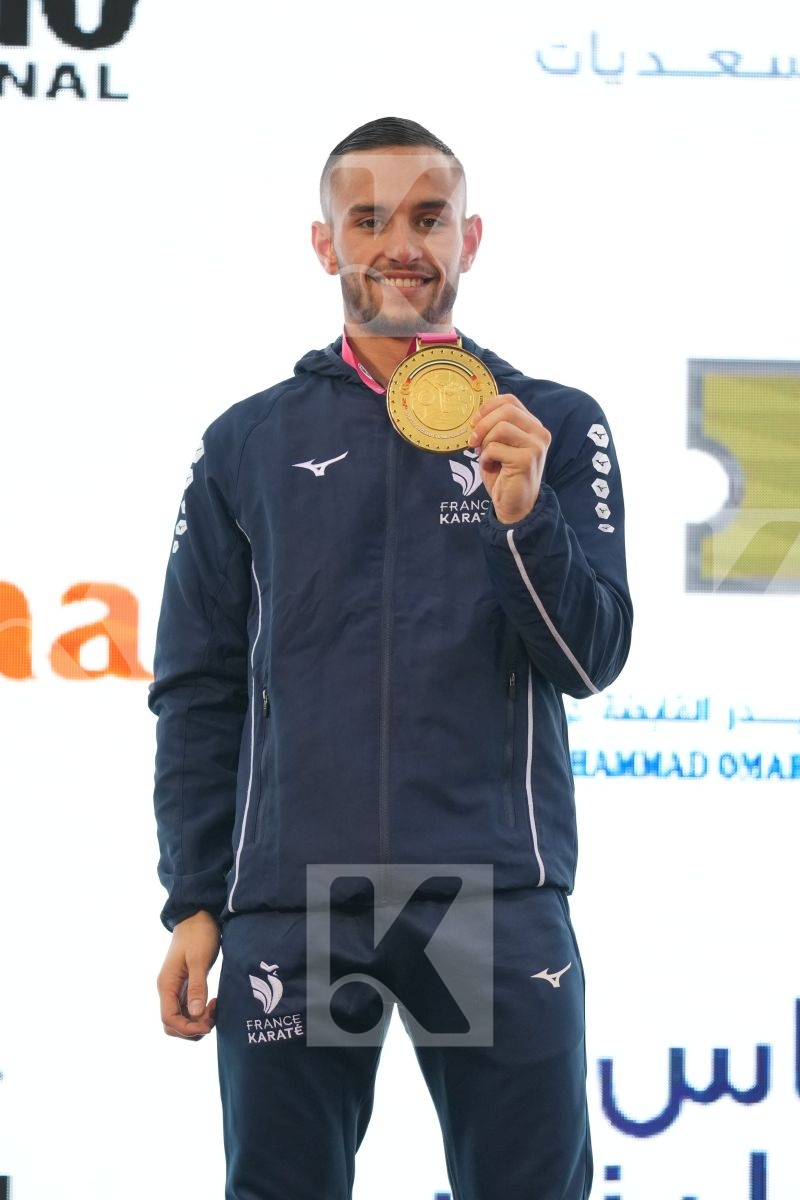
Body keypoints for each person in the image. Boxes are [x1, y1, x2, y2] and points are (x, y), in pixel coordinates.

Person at [150, 116, 633, 1200]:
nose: (398, 243)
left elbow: (589, 661)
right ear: (324, 244)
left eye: (426, 215)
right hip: (295, 901)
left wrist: (523, 520)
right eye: (365, 218)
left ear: (470, 236)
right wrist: (193, 898)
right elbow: (200, 688)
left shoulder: (548, 423)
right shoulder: (247, 442)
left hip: (491, 896)